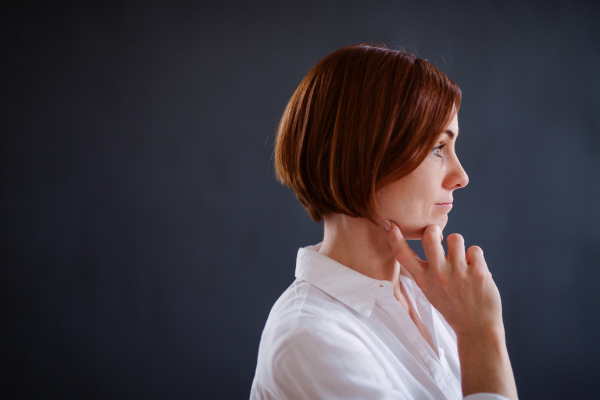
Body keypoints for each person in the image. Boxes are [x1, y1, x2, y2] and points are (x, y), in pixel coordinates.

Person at [250, 44, 518, 400]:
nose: (461, 176)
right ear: (363, 154)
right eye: (439, 147)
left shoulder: (432, 294)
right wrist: (481, 335)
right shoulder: (310, 339)